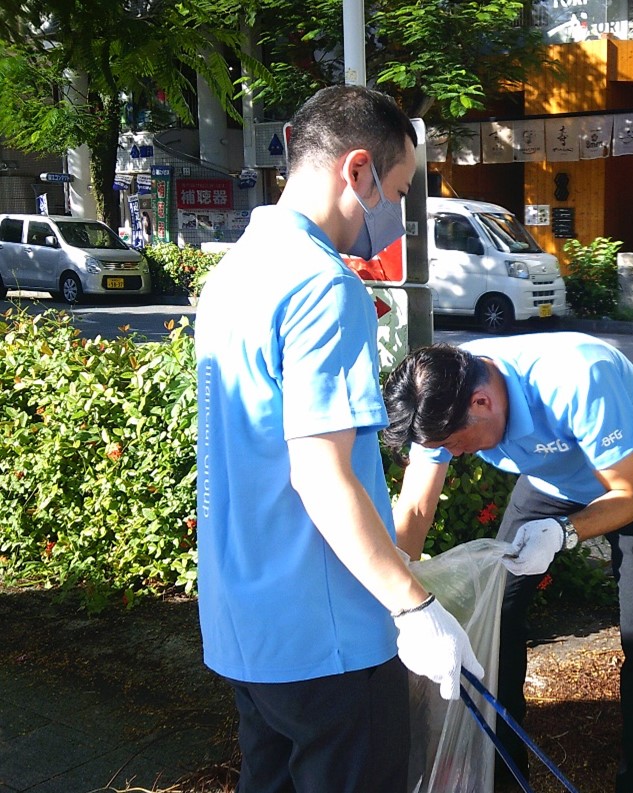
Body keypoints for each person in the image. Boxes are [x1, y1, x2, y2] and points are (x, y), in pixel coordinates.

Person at [193, 85, 481, 792]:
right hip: (329, 640)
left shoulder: (233, 275)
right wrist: (412, 606)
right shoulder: (323, 286)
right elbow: (321, 472)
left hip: (246, 628)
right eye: (399, 190)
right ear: (357, 171)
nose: (393, 214)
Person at [383, 332, 633, 793]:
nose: (455, 455)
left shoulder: (579, 377)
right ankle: (503, 776)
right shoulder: (439, 394)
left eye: (458, 445)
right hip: (550, 484)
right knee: (495, 618)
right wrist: (397, 591)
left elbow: (628, 497)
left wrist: (565, 532)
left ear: (482, 402)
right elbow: (417, 510)